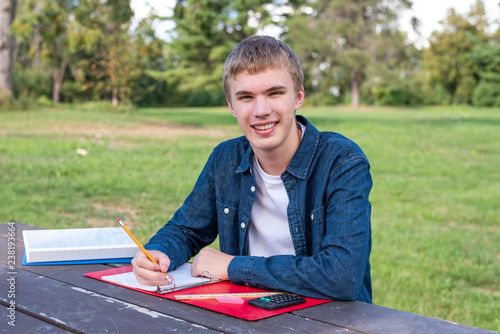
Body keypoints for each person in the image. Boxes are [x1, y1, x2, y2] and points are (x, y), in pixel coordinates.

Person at [132, 35, 373, 302]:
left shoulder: (341, 161)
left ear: (298, 96)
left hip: (331, 321)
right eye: (246, 97)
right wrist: (159, 252)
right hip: (249, 313)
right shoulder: (225, 158)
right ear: (232, 106)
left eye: (274, 93)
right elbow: (187, 229)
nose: (261, 110)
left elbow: (342, 275)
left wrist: (232, 266)